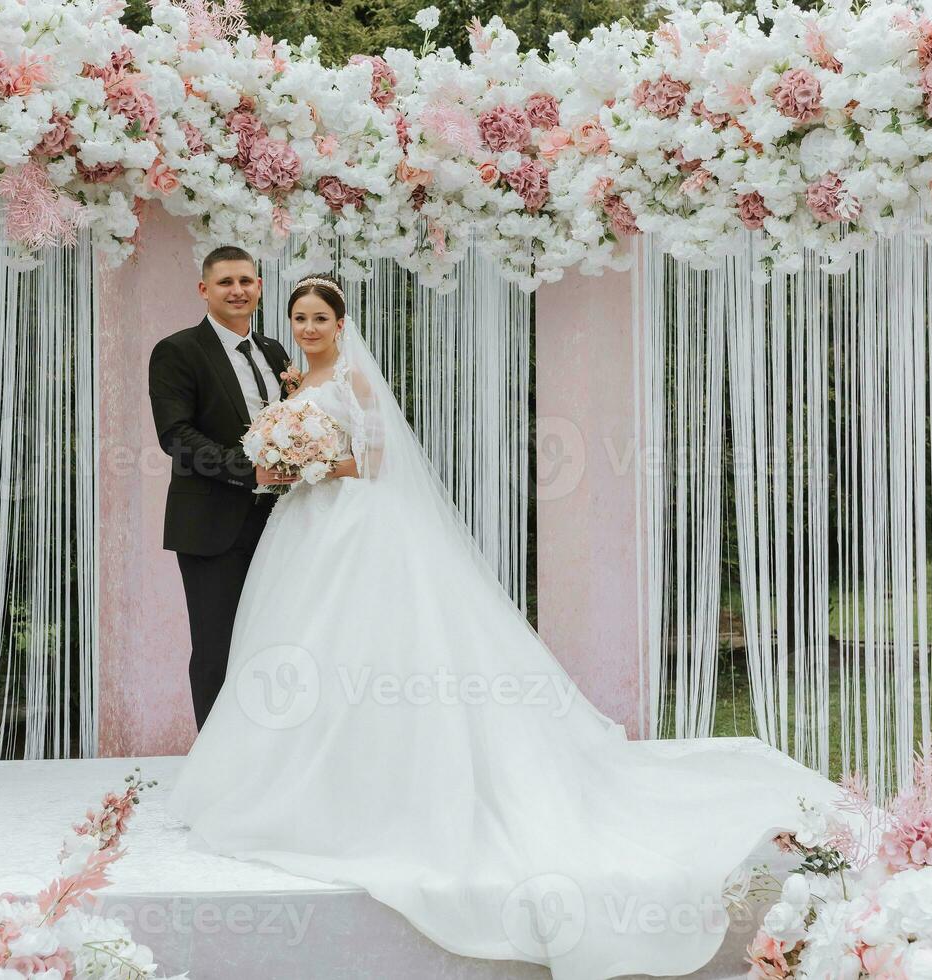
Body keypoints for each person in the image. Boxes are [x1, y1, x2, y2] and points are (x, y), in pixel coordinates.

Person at [165, 272, 844, 979]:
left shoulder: (355, 384)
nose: (307, 328)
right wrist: (280, 461)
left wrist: (308, 463)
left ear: (340, 325)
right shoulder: (290, 381)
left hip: (355, 527)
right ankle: (293, 776)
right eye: (299, 317)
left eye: (319, 319)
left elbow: (372, 459)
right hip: (303, 532)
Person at [148, 245, 297, 728]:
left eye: (246, 281)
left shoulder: (275, 351)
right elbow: (177, 435)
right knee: (217, 647)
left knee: (274, 643)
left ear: (258, 287)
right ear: (204, 289)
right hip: (211, 525)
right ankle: (214, 767)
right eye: (226, 282)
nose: (237, 290)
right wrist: (245, 469)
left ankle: (265, 754)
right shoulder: (177, 350)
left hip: (283, 523)